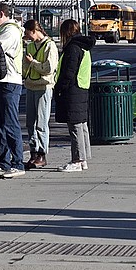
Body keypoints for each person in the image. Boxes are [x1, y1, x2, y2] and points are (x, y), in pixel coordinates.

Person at [0, 2, 26, 179]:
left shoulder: (10, 31)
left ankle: (18, 163)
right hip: (2, 82)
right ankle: (4, 163)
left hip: (10, 81)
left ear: (1, 14)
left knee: (10, 123)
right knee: (0, 124)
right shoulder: (3, 30)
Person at [54, 18, 95, 172]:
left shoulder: (73, 48)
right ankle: (83, 158)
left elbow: (68, 71)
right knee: (82, 125)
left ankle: (77, 160)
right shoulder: (84, 46)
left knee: (75, 126)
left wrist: (60, 87)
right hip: (82, 88)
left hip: (73, 90)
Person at [22, 19, 59, 169]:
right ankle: (33, 152)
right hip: (31, 86)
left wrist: (33, 63)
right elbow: (25, 65)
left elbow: (49, 68)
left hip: (44, 87)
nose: (26, 36)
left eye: (27, 33)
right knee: (30, 123)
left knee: (41, 123)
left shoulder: (50, 46)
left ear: (33, 31)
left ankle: (42, 154)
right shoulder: (30, 45)